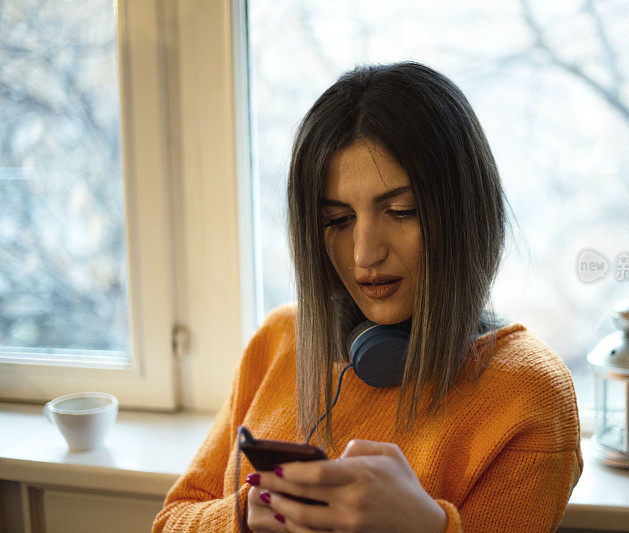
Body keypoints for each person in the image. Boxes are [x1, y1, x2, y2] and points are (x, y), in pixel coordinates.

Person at [153, 61, 582, 533]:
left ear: (464, 215)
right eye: (337, 220)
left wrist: (427, 527)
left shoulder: (528, 393)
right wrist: (244, 515)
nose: (365, 254)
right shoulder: (280, 339)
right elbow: (171, 519)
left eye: (401, 211)